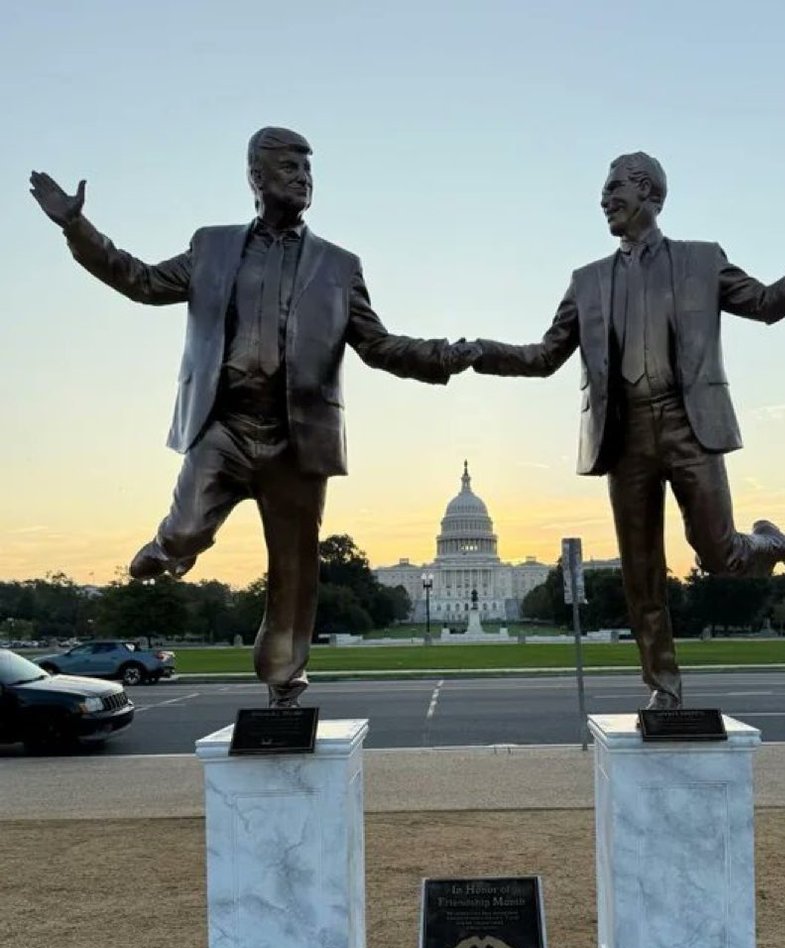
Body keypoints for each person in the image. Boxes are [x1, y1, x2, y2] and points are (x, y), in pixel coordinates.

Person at [30, 127, 473, 706]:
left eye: (308, 170)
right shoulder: (211, 247)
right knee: (189, 526)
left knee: (294, 570)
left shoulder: (340, 266)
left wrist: (445, 355)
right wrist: (75, 226)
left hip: (297, 437)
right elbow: (138, 280)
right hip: (226, 425)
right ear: (256, 177)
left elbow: (379, 346)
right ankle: (172, 546)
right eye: (289, 167)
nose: (302, 178)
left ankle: (284, 679)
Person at [467, 151, 785, 709]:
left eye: (614, 188)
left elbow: (768, 303)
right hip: (624, 436)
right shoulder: (587, 281)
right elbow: (545, 355)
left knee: (719, 557)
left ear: (650, 195)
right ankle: (664, 690)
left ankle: (767, 541)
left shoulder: (701, 261)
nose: (603, 200)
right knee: (641, 574)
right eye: (603, 191)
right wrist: (479, 353)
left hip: (690, 427)